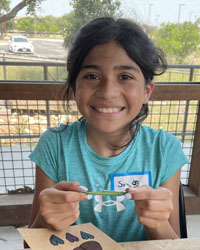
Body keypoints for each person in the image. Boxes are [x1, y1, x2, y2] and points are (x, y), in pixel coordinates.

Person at [27, 17, 188, 243]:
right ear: (74, 87)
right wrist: (45, 221)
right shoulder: (54, 145)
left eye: (125, 77)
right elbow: (29, 245)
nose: (108, 91)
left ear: (147, 91)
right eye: (92, 76)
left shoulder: (165, 149)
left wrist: (158, 222)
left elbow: (175, 244)